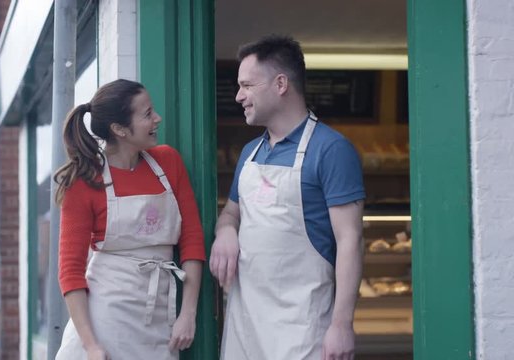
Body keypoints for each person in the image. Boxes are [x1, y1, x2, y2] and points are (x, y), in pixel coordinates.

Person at [210, 35, 366, 360]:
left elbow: (351, 239)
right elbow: (231, 213)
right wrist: (225, 231)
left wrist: (342, 324)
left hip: (303, 329)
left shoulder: (332, 149)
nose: (238, 96)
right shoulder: (250, 153)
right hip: (245, 326)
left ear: (281, 83)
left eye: (247, 85)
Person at [54, 79, 206, 360]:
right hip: (104, 320)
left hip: (160, 315)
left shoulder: (168, 162)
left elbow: (192, 240)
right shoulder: (85, 182)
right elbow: (70, 272)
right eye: (147, 114)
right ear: (120, 129)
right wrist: (91, 346)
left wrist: (188, 313)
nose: (157, 118)